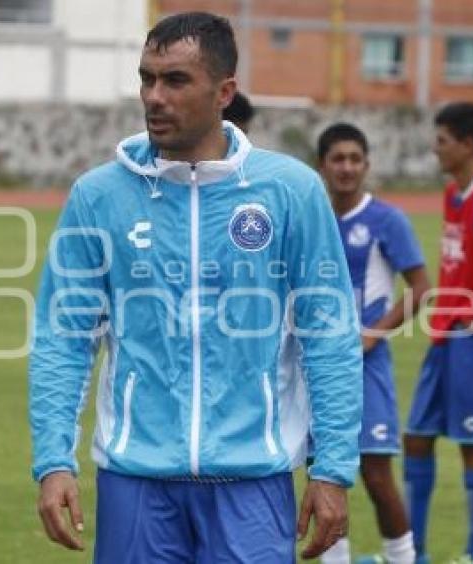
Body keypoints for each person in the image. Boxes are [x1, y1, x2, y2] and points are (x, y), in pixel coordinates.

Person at [29, 11, 363, 564]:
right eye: (147, 78)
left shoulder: (290, 191)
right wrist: (53, 460)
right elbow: (63, 338)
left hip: (252, 479)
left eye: (175, 80)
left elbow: (328, 336)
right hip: (136, 480)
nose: (154, 96)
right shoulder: (98, 196)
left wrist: (331, 468)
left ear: (224, 91)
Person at [403, 102, 473, 564]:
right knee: (416, 437)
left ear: (468, 145)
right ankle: (415, 553)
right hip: (446, 336)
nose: (435, 147)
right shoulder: (455, 193)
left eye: (442, 139)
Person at [316, 123, 430, 564]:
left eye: (355, 159)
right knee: (324, 474)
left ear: (366, 165)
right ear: (321, 165)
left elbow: (421, 288)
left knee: (378, 476)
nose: (347, 168)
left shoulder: (386, 220)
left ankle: (403, 558)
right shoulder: (315, 220)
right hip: (319, 368)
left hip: (367, 368)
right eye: (337, 159)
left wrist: (372, 334)